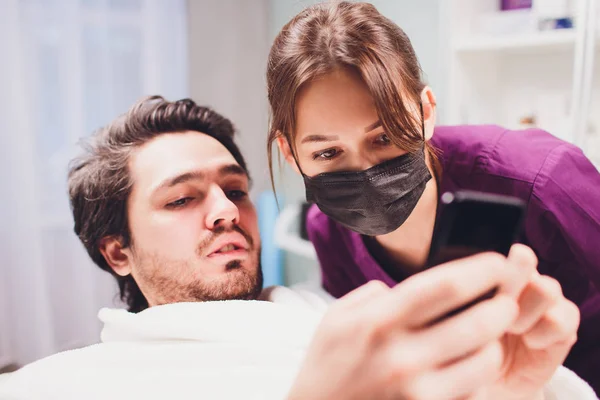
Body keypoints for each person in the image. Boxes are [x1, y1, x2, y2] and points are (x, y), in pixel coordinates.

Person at [0, 96, 593, 400]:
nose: (227, 211)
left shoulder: (352, 313)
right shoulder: (67, 385)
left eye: (235, 189)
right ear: (117, 252)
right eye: (181, 200)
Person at [267, 0, 600, 395]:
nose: (364, 171)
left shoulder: (543, 182)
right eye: (327, 153)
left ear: (425, 111)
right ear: (290, 153)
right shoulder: (330, 234)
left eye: (384, 137)